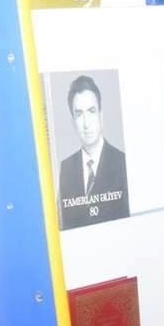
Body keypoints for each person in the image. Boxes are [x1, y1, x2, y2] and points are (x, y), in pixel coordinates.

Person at [55, 74, 128, 228]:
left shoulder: (122, 163)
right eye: (79, 114)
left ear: (101, 116)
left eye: (91, 111)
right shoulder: (65, 169)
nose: (86, 123)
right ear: (73, 122)